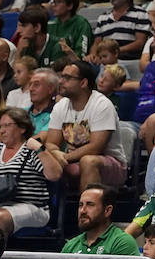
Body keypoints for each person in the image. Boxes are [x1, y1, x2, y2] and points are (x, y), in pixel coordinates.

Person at [0, 107, 60, 236]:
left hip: (32, 206)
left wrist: (40, 148)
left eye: (7, 125)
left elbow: (55, 175)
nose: (2, 130)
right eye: (1, 126)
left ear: (22, 128)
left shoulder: (31, 150)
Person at [44, 59, 127, 191]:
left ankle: (88, 209)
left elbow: (96, 147)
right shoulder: (61, 106)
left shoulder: (102, 105)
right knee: (42, 160)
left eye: (67, 78)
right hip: (72, 161)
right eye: (61, 77)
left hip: (110, 164)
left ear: (83, 83)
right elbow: (51, 143)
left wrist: (64, 157)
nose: (60, 81)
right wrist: (55, 154)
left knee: (88, 161)